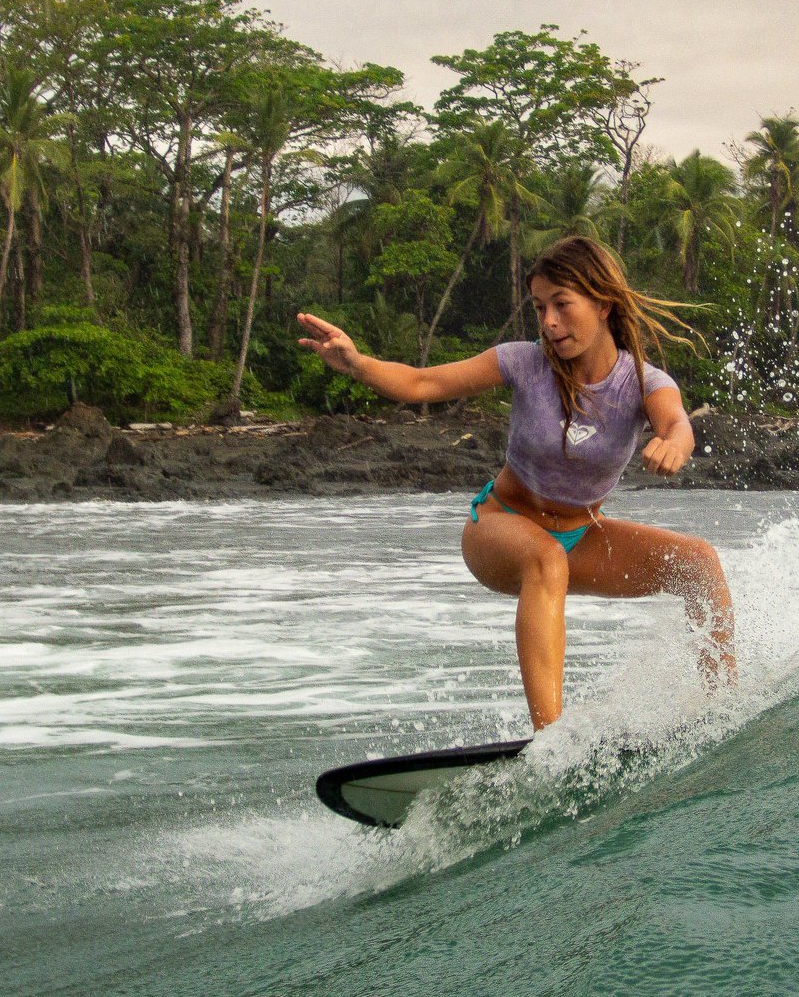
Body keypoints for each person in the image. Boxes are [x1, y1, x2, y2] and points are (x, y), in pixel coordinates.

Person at [297, 235, 735, 729]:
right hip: (499, 527)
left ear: (604, 304)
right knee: (544, 557)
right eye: (541, 306)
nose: (549, 321)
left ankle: (721, 713)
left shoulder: (642, 382)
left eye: (562, 305)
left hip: (581, 536)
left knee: (699, 562)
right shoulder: (525, 362)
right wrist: (357, 363)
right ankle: (550, 739)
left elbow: (676, 423)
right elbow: (424, 383)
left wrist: (675, 443)